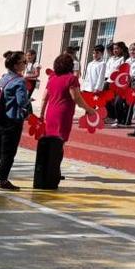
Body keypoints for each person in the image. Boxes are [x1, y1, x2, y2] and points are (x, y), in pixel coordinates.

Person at [35, 53, 96, 189]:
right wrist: (90, 109)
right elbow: (76, 98)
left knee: (51, 143)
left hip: (50, 113)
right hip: (63, 114)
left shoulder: (52, 78)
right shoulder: (72, 79)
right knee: (59, 144)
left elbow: (45, 98)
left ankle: (51, 170)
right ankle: (54, 171)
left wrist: (41, 114)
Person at [0, 51, 31, 191]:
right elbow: (21, 101)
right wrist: (28, 102)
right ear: (16, 65)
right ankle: (3, 179)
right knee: (8, 151)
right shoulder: (19, 81)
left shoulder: (4, 78)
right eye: (24, 62)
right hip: (12, 120)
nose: (26, 64)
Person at [104, 42, 129, 124]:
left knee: (116, 102)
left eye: (117, 48)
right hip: (108, 81)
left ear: (121, 49)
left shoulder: (123, 59)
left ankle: (119, 118)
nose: (115, 50)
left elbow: (123, 71)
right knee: (105, 99)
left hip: (117, 83)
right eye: (114, 49)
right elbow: (107, 70)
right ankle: (110, 116)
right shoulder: (111, 59)